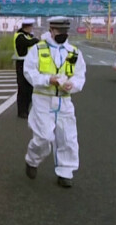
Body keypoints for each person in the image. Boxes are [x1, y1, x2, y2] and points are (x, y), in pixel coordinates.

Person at [23, 16, 86, 188]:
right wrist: (47, 80)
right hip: (42, 99)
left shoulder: (73, 52)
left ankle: (65, 173)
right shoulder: (38, 49)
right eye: (59, 31)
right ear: (51, 30)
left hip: (64, 101)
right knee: (43, 136)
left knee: (68, 138)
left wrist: (72, 85)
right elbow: (29, 72)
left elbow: (80, 76)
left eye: (65, 31)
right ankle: (32, 160)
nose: (62, 34)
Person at [13, 18, 39, 118]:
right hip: (21, 64)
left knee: (29, 89)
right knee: (22, 89)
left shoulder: (27, 36)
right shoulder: (20, 36)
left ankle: (26, 110)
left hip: (29, 64)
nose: (32, 29)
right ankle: (21, 111)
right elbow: (28, 43)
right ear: (26, 27)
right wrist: (37, 40)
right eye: (31, 27)